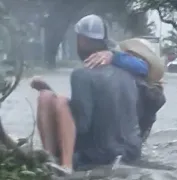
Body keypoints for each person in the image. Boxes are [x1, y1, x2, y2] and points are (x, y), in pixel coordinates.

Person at [31, 14, 149, 173]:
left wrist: (56, 102)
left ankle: (59, 163)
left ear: (82, 40)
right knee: (51, 97)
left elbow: (81, 125)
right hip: (131, 152)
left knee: (49, 98)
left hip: (100, 155)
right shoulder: (129, 70)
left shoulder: (81, 74)